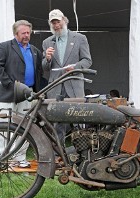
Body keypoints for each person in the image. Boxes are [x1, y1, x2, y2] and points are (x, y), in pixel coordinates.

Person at [0, 20, 43, 168]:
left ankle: (20, 158)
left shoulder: (35, 50)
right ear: (15, 34)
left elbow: (39, 71)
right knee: (4, 127)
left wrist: (37, 91)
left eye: (28, 33)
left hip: (28, 94)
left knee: (25, 128)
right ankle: (0, 158)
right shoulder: (5, 47)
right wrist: (11, 84)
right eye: (23, 33)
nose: (26, 35)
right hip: (9, 94)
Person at [42, 9, 92, 143]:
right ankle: (59, 155)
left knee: (78, 121)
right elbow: (46, 68)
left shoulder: (80, 38)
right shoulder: (47, 42)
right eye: (53, 23)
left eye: (58, 21)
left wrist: (75, 67)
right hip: (55, 87)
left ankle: (82, 154)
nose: (56, 25)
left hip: (74, 85)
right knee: (57, 123)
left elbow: (87, 61)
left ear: (64, 20)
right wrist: (47, 58)